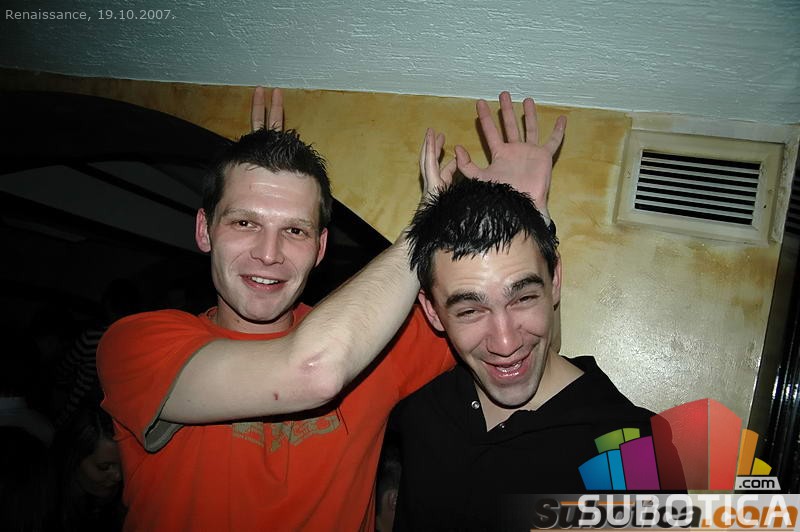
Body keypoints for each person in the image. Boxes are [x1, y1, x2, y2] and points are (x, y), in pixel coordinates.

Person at [97, 88, 565, 530]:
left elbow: (531, 348)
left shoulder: (373, 338)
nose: (268, 253)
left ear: (320, 247)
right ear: (205, 230)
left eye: (295, 230)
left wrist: (528, 223)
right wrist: (422, 230)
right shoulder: (136, 344)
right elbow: (315, 372)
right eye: (244, 223)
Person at [393, 177, 654, 530]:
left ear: (555, 281)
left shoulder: (634, 450)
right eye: (470, 311)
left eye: (524, 298)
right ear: (433, 311)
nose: (505, 344)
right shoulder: (418, 405)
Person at [51, 406, 125, 531]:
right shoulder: (48, 505)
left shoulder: (127, 500)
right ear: (74, 459)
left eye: (123, 464)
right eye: (104, 467)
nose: (119, 475)